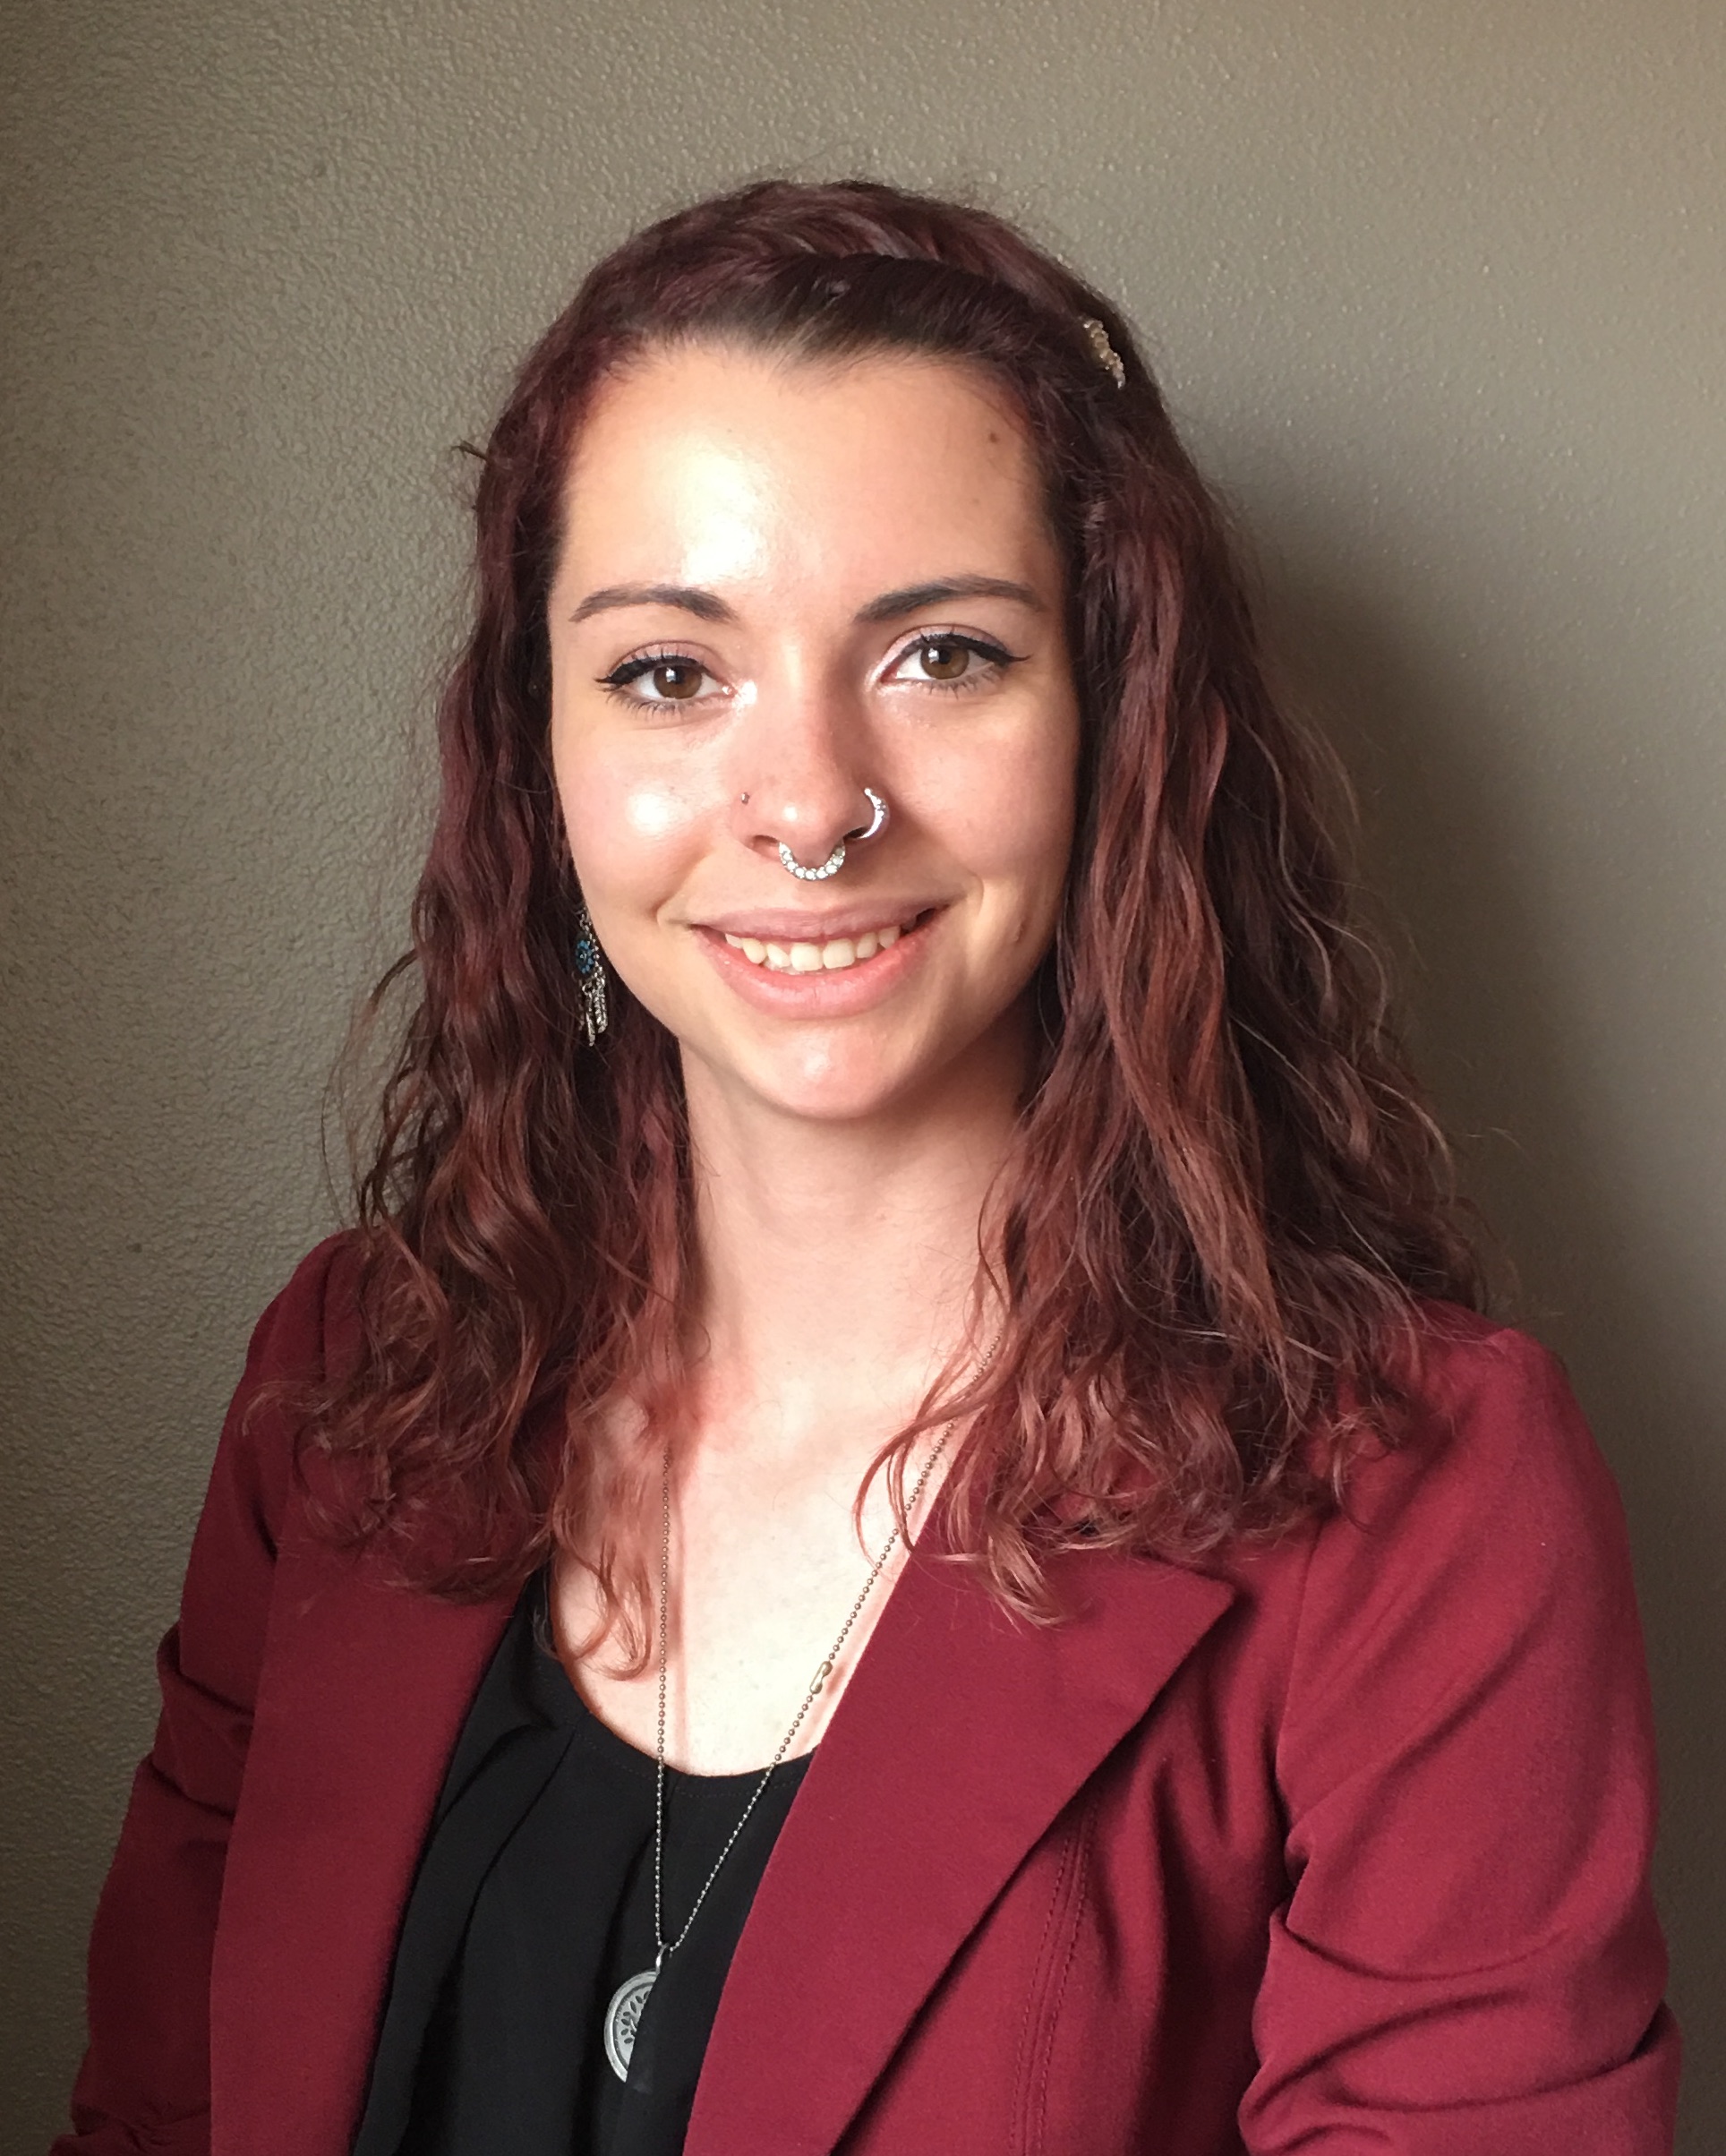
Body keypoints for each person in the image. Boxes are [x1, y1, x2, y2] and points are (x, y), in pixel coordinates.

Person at [56, 178, 1679, 2156]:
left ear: (1111, 732)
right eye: (670, 671)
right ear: (539, 753)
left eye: (941, 656)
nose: (811, 802)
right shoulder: (342, 1383)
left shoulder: (1418, 1501)